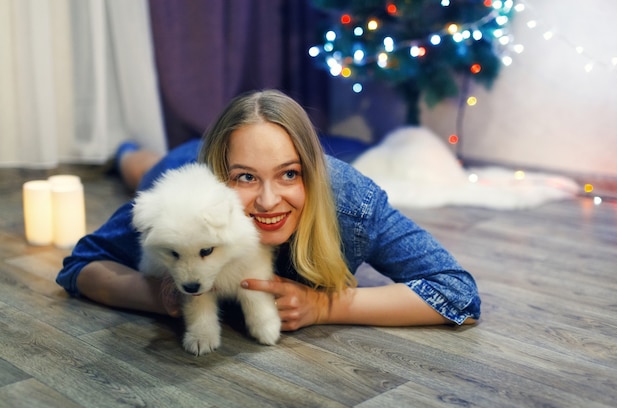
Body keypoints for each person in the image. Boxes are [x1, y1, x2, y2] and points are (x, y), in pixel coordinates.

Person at [56, 89, 481, 330]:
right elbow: (80, 265)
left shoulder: (352, 201)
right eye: (244, 177)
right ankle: (125, 151)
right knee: (144, 169)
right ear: (219, 178)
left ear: (312, 172)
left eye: (290, 174)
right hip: (179, 162)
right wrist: (165, 296)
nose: (268, 201)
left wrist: (325, 306)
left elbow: (457, 292)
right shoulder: (185, 199)